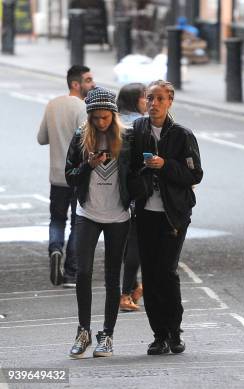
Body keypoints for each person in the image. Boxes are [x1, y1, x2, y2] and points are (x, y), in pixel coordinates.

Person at [130, 80, 203, 355]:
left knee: (167, 272)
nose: (154, 104)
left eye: (160, 99)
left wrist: (165, 166)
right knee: (150, 272)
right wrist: (143, 171)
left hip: (173, 214)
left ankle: (174, 332)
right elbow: (129, 166)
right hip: (146, 212)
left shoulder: (182, 135)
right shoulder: (138, 129)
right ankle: (158, 335)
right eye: (150, 98)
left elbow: (195, 175)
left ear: (170, 101)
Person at [65, 87, 132, 358]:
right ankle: (83, 331)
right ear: (90, 117)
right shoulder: (81, 137)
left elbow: (136, 174)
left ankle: (108, 334)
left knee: (112, 277)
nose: (101, 122)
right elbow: (69, 175)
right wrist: (88, 166)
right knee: (83, 272)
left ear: (113, 116)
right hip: (88, 214)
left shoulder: (127, 139)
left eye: (105, 118)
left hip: (118, 215)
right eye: (96, 118)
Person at [37, 65, 95, 287]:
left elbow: (41, 138)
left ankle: (54, 249)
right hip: (78, 174)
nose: (92, 84)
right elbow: (87, 142)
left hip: (56, 176)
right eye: (88, 80)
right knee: (78, 223)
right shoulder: (83, 108)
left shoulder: (52, 105)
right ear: (75, 84)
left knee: (57, 219)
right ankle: (71, 272)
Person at [116, 83, 147, 312]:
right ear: (136, 100)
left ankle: (133, 288)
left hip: (115, 190)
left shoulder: (114, 121)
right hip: (137, 190)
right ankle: (126, 294)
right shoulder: (139, 124)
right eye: (146, 98)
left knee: (128, 243)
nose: (149, 103)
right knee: (136, 242)